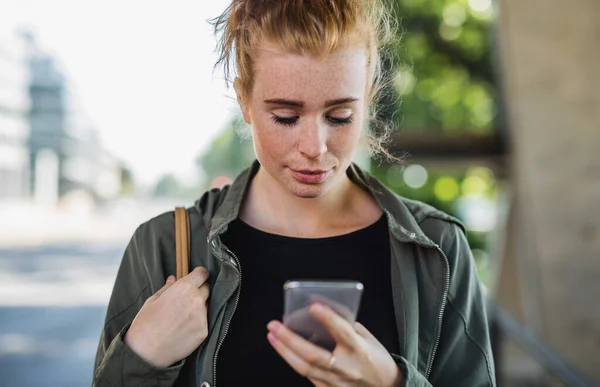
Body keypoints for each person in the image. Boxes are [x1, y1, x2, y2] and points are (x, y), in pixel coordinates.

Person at [93, 0, 495, 386]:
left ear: (369, 97)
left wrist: (393, 384)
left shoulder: (437, 249)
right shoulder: (163, 246)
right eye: (285, 116)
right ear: (244, 100)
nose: (314, 147)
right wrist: (140, 356)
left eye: (340, 116)